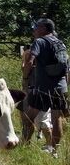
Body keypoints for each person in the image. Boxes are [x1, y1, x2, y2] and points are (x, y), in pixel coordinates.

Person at [24, 18, 68, 154]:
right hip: (60, 86)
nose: (34, 30)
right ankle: (54, 151)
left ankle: (24, 145)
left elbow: (30, 61)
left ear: (44, 29)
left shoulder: (39, 42)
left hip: (43, 87)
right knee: (57, 118)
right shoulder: (60, 42)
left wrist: (26, 76)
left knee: (29, 116)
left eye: (37, 27)